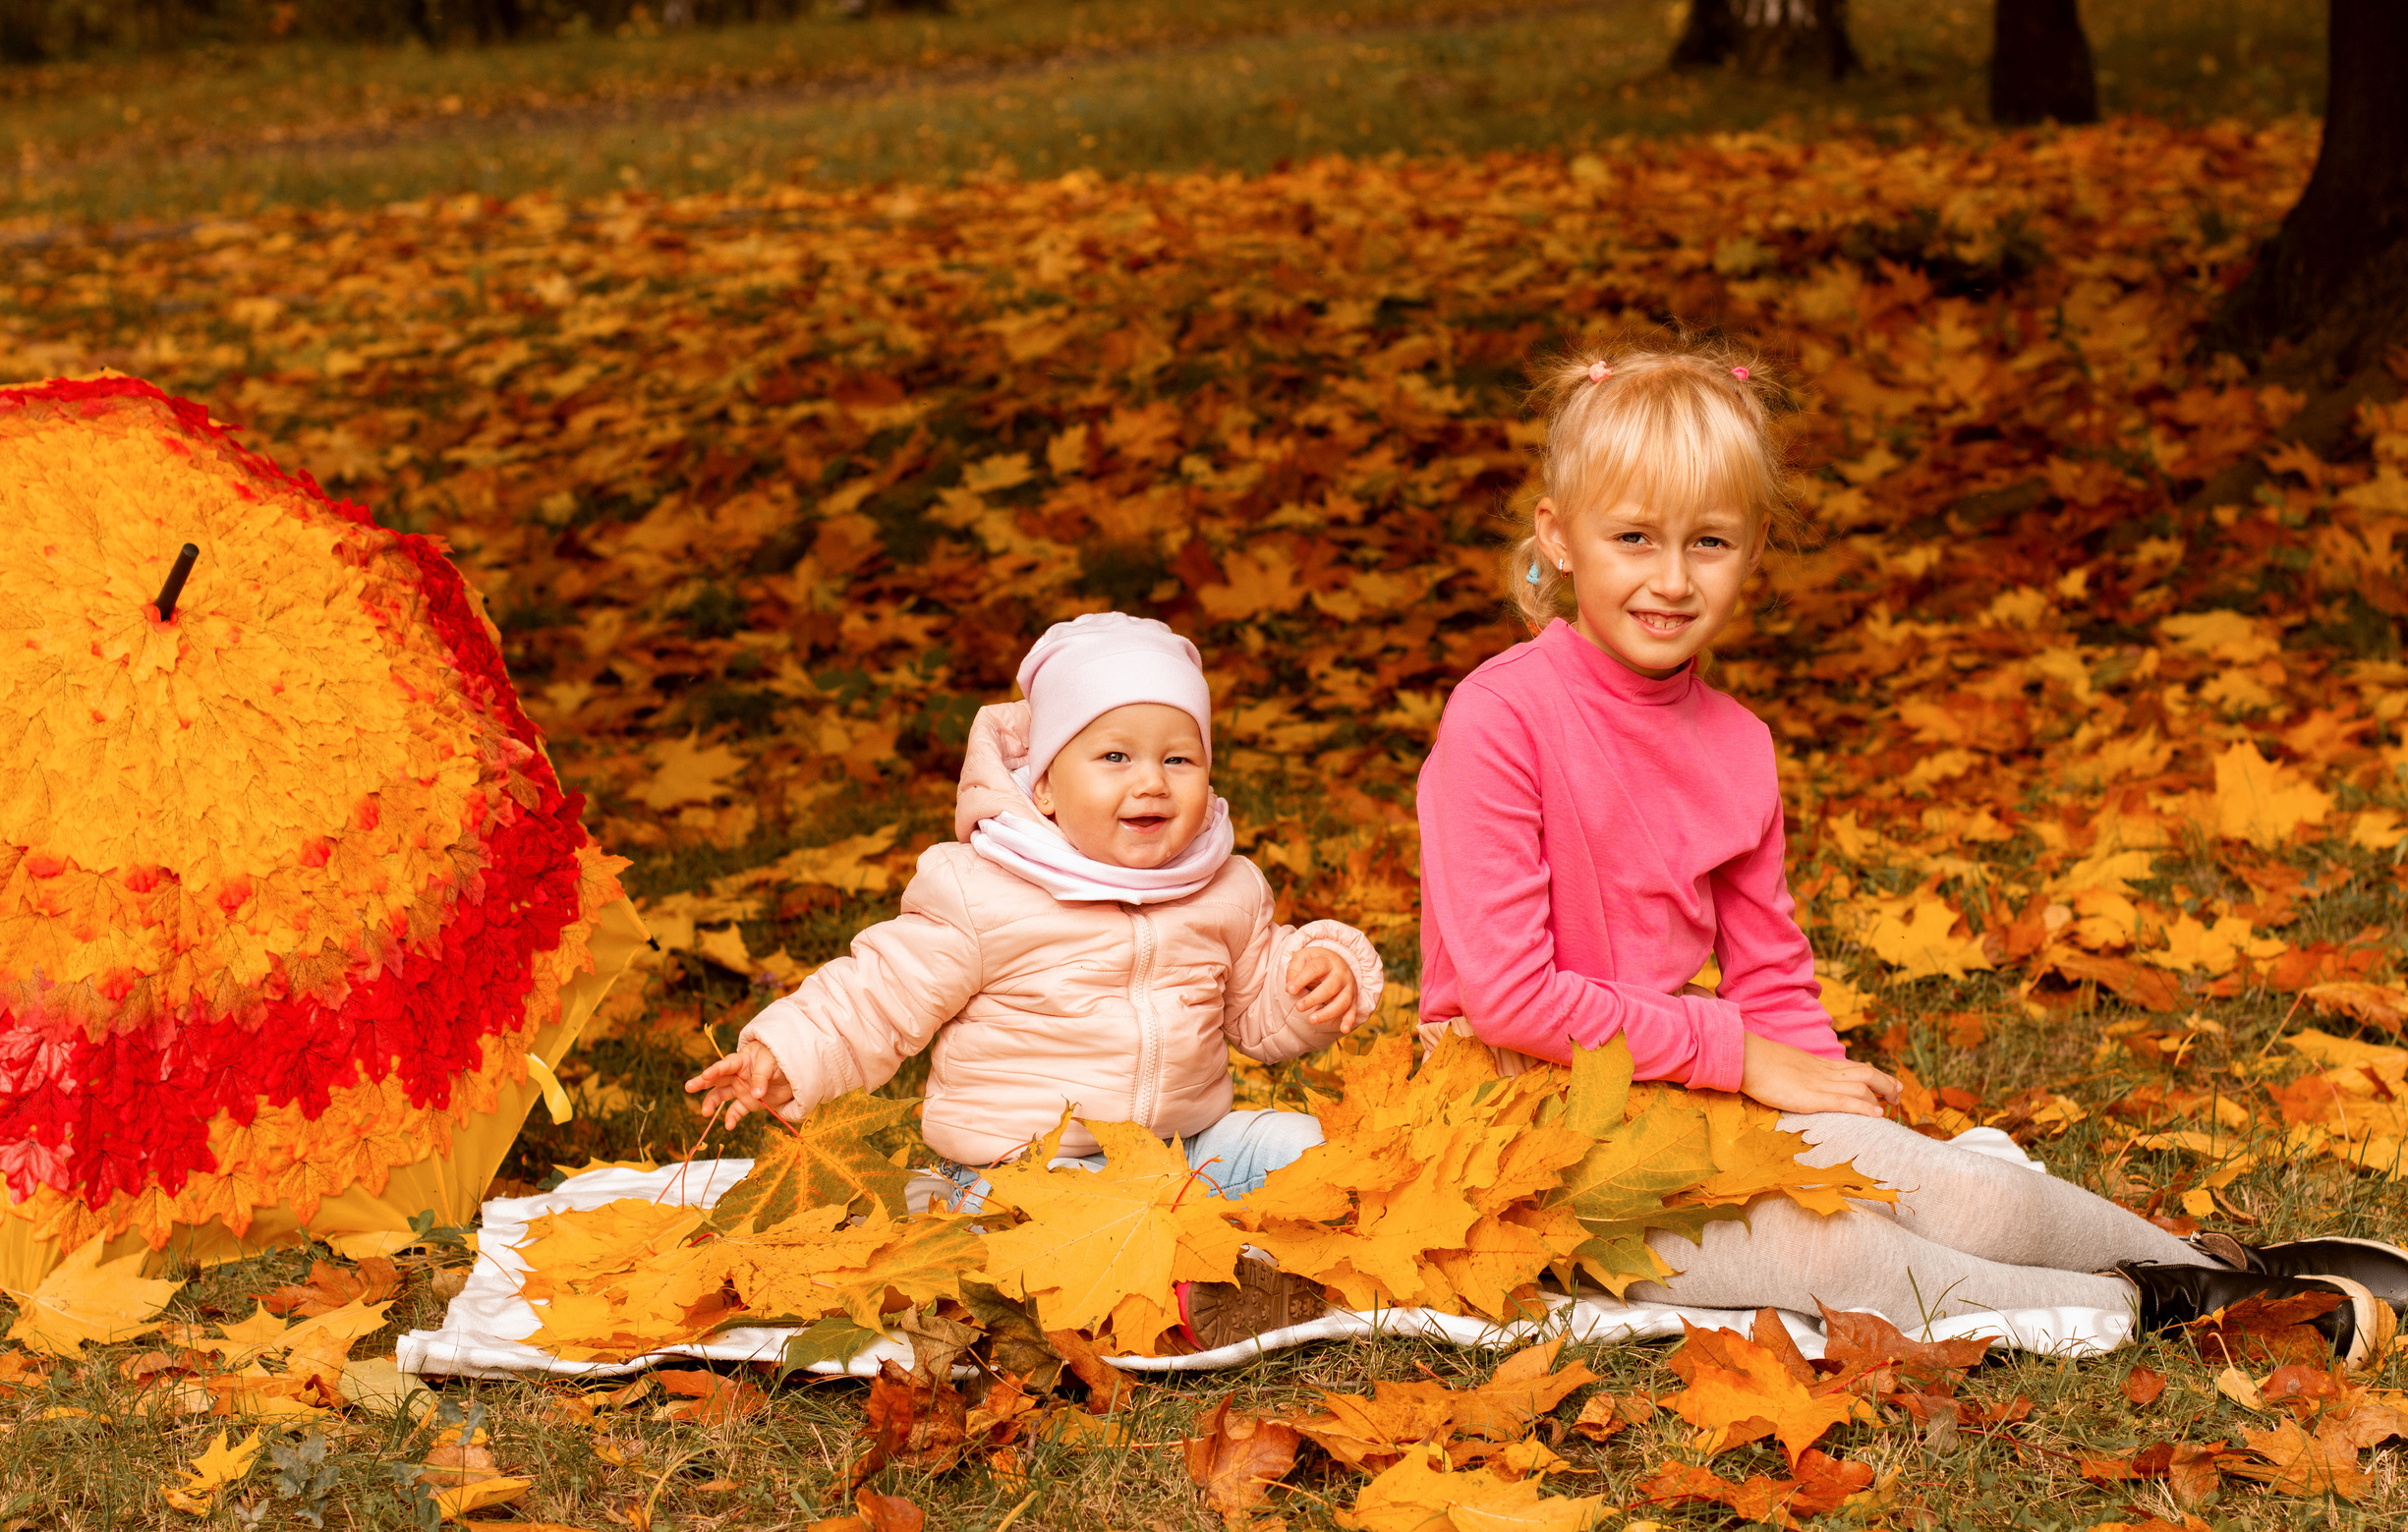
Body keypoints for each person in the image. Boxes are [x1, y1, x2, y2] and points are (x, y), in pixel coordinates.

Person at [1412, 341, 2408, 1366]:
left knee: (1955, 1190)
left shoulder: (1736, 746)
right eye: (1632, 538)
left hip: (1676, 1096)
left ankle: (2213, 1265)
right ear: (1560, 537)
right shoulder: (1501, 718)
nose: (1670, 580)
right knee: (1844, 1249)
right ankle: (2169, 1311)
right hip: (1520, 1136)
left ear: (1754, 543)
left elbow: (1773, 986)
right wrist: (1745, 1061)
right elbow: (1509, 997)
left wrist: (1842, 1120)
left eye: (1706, 543)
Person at [685, 612, 1380, 1348]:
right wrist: (788, 1049)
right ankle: (1198, 1291)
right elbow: (880, 992)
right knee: (1051, 1241)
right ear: (1044, 786)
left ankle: (1272, 1255)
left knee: (1302, 1146)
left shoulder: (1225, 889)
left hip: (1186, 1150)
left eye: (1180, 759)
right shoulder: (984, 890)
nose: (1152, 780)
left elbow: (1256, 1012)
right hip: (1024, 1173)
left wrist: (1314, 982)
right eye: (1115, 756)